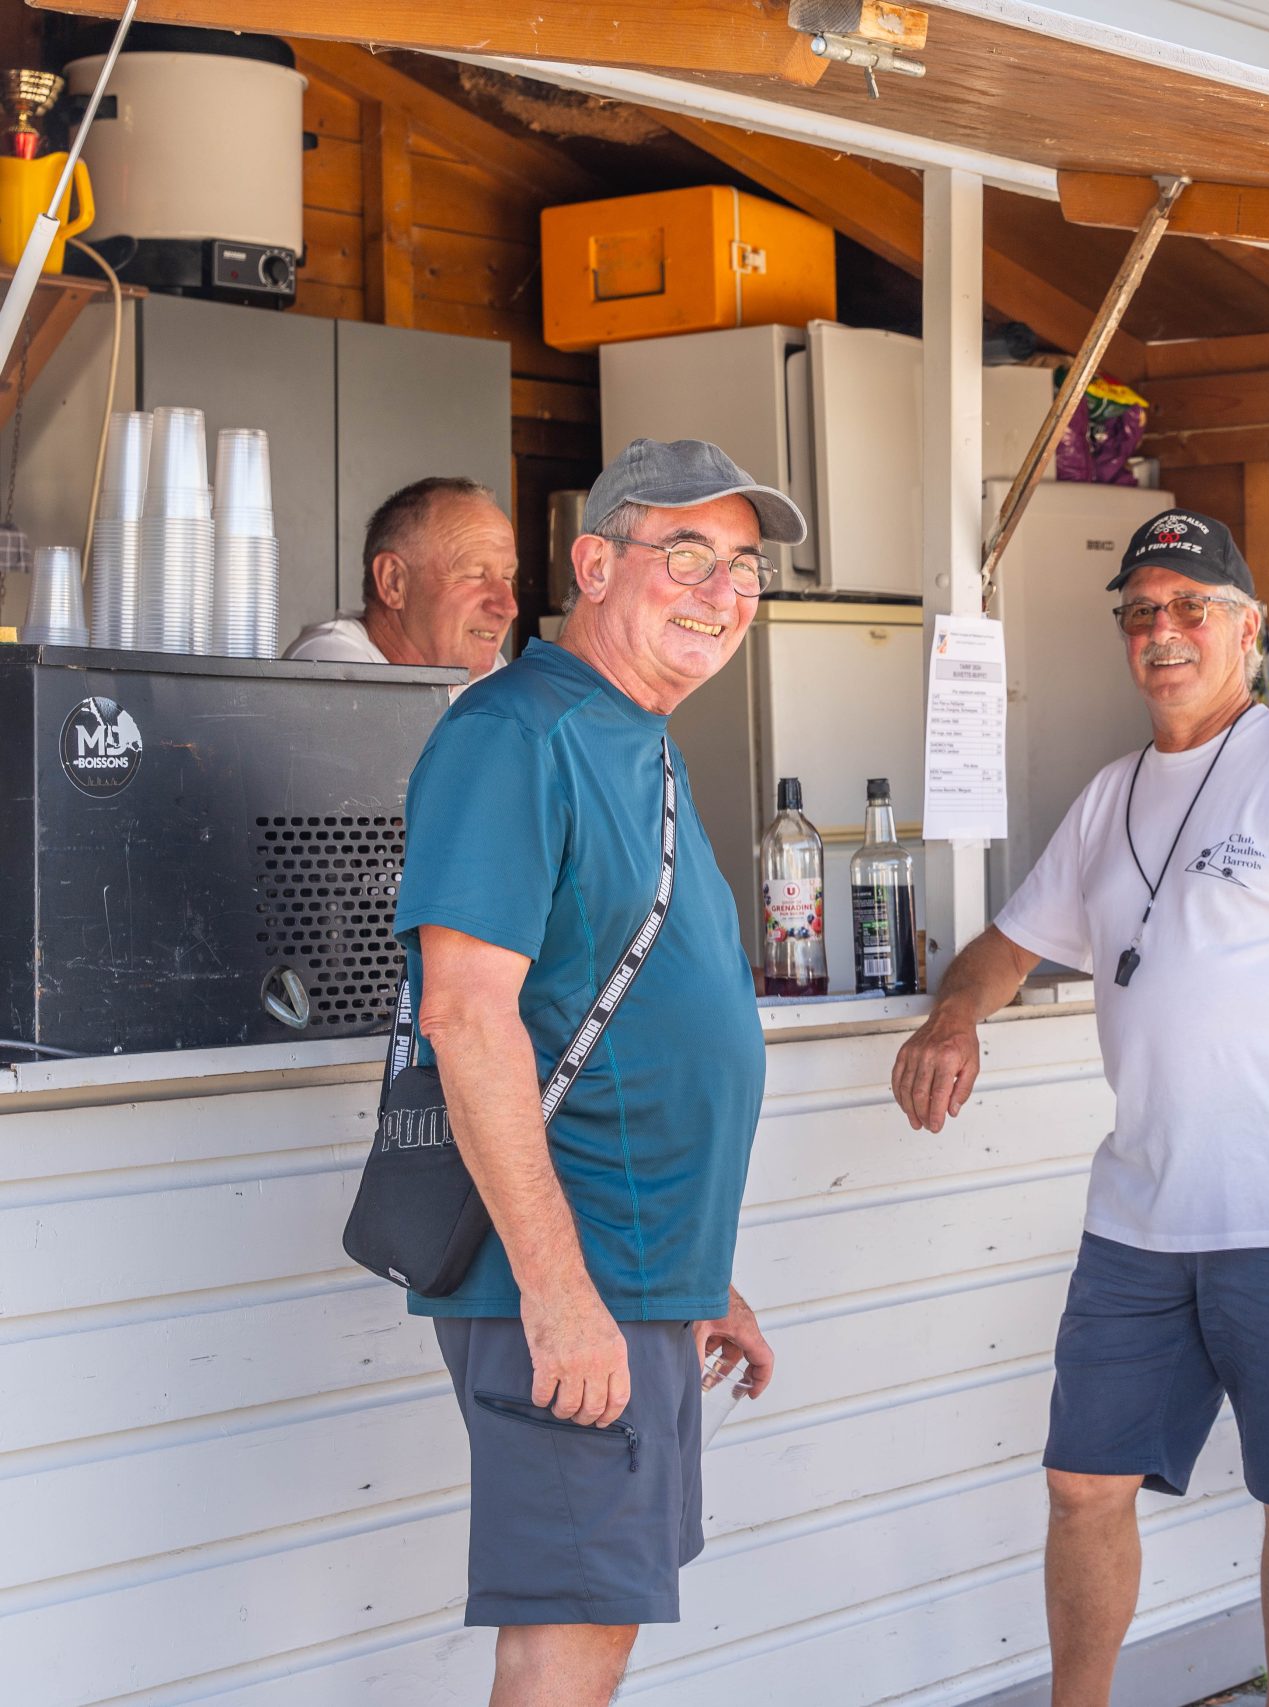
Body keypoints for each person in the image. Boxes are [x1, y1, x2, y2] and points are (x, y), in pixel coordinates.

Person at [888, 508, 1269, 1707]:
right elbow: (1003, 944)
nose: (1164, 632)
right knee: (1083, 1485)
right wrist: (954, 1015)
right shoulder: (1108, 796)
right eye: (1141, 612)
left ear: (1247, 627)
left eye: (1191, 607)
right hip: (1137, 1221)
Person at [394, 439, 798, 1706]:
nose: (718, 588)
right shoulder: (514, 734)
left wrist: (696, 1271)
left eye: (741, 565)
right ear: (593, 563)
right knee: (570, 1637)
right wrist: (561, 1292)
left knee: (602, 1621)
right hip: (564, 1284)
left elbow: (605, 1012)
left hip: (638, 1272)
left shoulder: (636, 735)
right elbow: (467, 1018)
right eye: (685, 553)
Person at [287, 475, 519, 682]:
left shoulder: (487, 673)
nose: (508, 608)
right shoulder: (329, 666)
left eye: (508, 578)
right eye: (475, 575)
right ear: (393, 581)